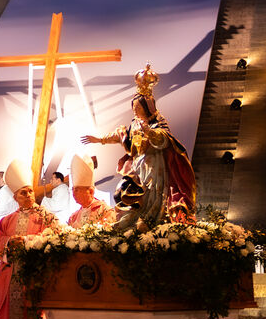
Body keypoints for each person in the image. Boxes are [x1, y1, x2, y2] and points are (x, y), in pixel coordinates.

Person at [81, 64, 195, 227]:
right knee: (131, 191)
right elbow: (119, 136)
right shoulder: (134, 124)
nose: (135, 109)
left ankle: (151, 219)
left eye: (138, 106)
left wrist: (149, 132)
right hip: (137, 163)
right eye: (133, 106)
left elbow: (164, 138)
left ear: (147, 107)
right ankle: (135, 219)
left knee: (152, 191)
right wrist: (99, 140)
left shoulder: (157, 122)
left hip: (154, 165)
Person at [0, 159, 61, 319]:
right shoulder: (6, 221)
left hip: (35, 278)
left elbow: (57, 238)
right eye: (23, 192)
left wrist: (29, 241)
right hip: (11, 280)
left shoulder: (47, 216)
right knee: (10, 318)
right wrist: (10, 243)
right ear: (15, 197)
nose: (29, 195)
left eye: (30, 191)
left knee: (36, 318)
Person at [66, 155, 115, 228]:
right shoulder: (73, 217)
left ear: (91, 191)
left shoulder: (105, 211)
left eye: (77, 190)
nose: (73, 194)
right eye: (72, 190)